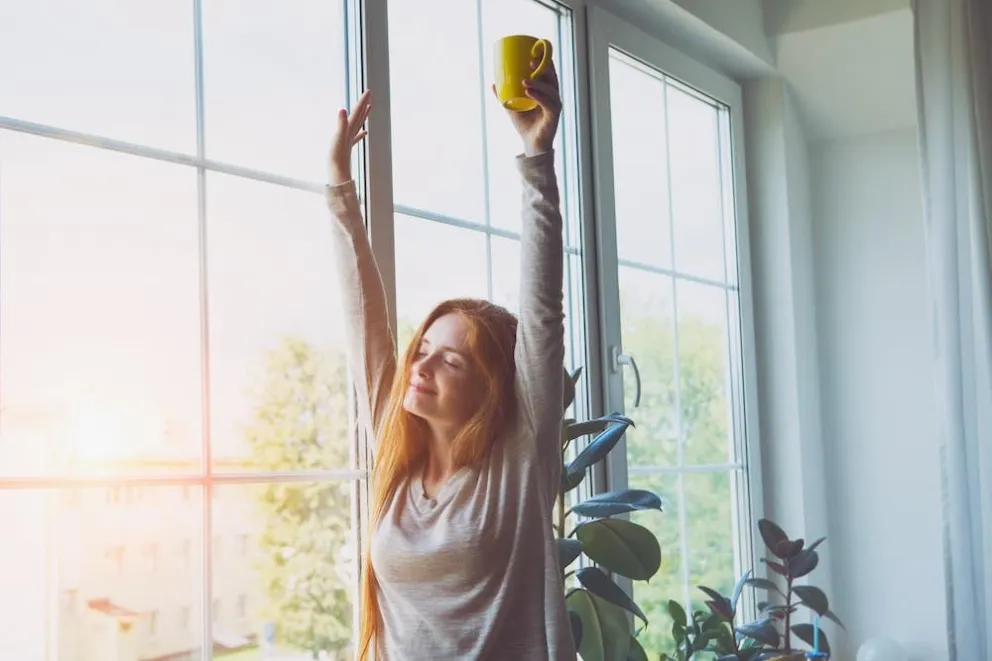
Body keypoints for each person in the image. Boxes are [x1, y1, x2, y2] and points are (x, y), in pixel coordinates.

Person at [326, 57, 575, 660]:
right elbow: (365, 316)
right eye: (424, 351)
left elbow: (541, 311)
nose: (421, 366)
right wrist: (338, 183)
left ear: (493, 389)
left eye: (451, 362)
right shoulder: (396, 449)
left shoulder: (518, 454)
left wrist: (536, 160)